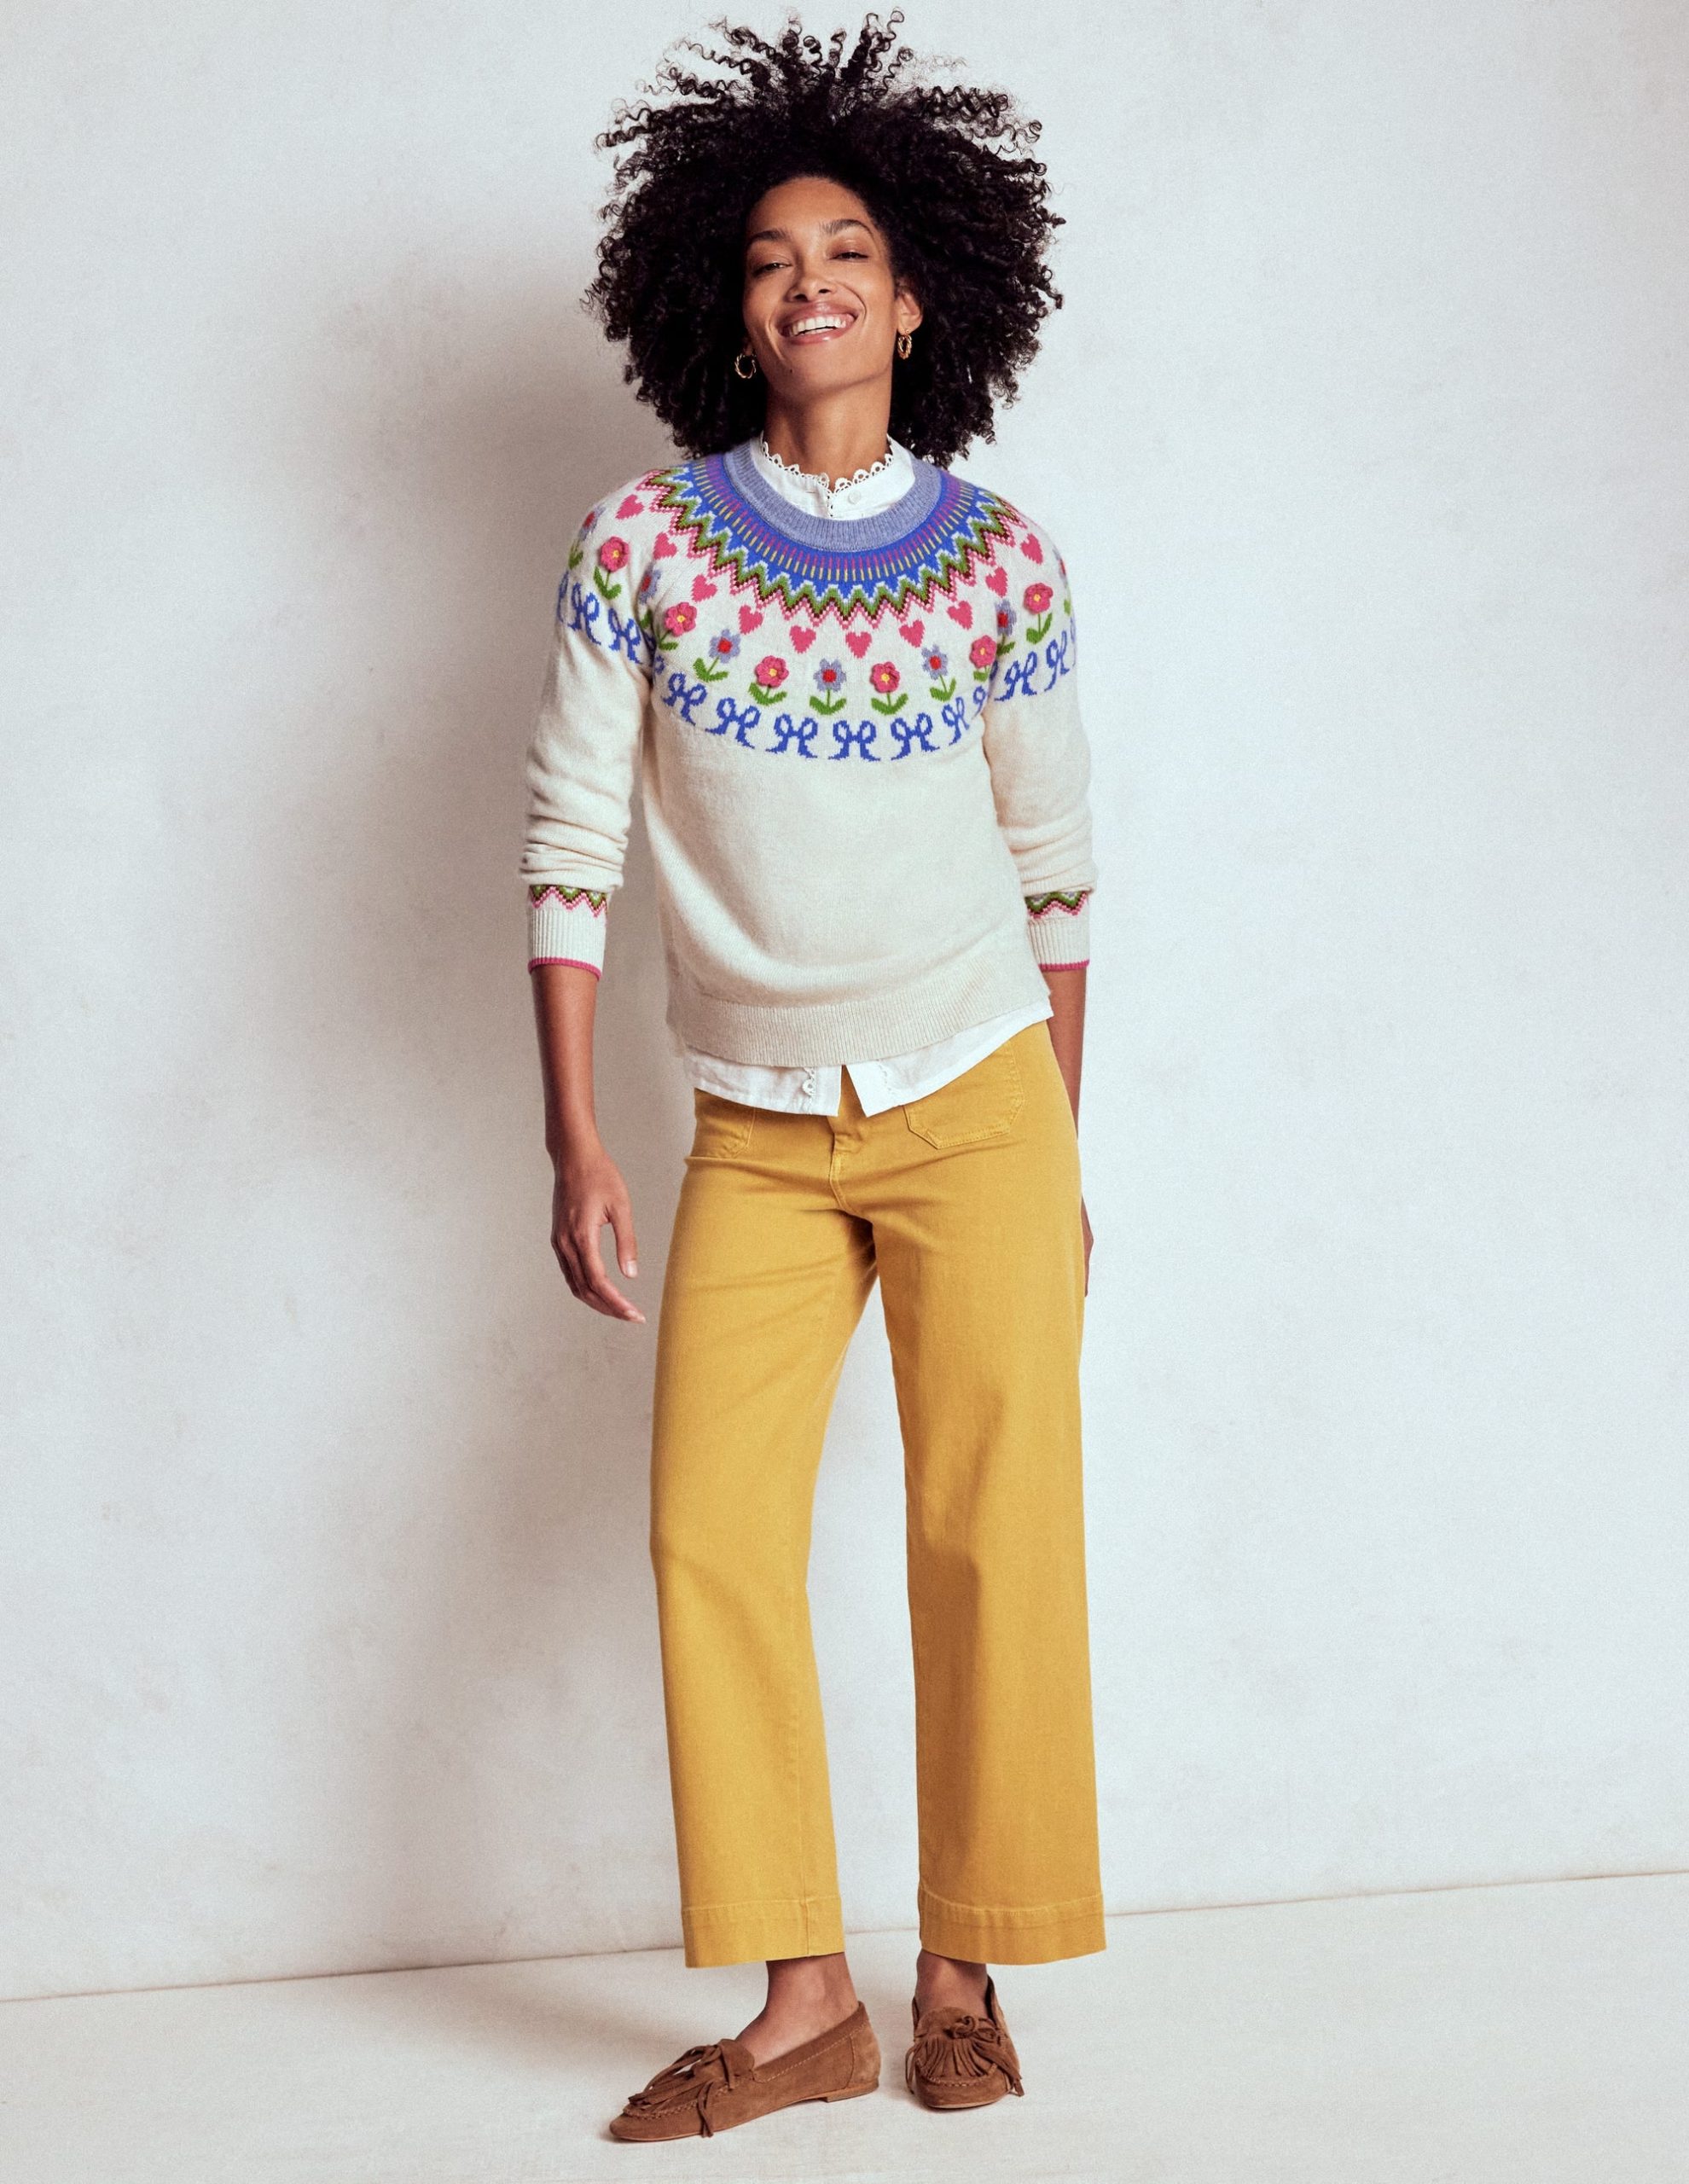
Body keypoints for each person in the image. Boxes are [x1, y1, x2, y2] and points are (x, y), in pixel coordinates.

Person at [521, 13, 1104, 2142]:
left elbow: (1056, 868)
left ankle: (962, 1970)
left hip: (980, 1099)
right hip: (754, 1129)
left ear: (922, 293)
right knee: (711, 1532)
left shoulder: (1000, 557)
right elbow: (569, 839)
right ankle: (801, 2002)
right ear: (724, 301)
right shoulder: (642, 546)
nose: (812, 282)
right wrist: (576, 1131)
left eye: (849, 248)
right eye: (771, 257)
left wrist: (1060, 1145)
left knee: (993, 1530)